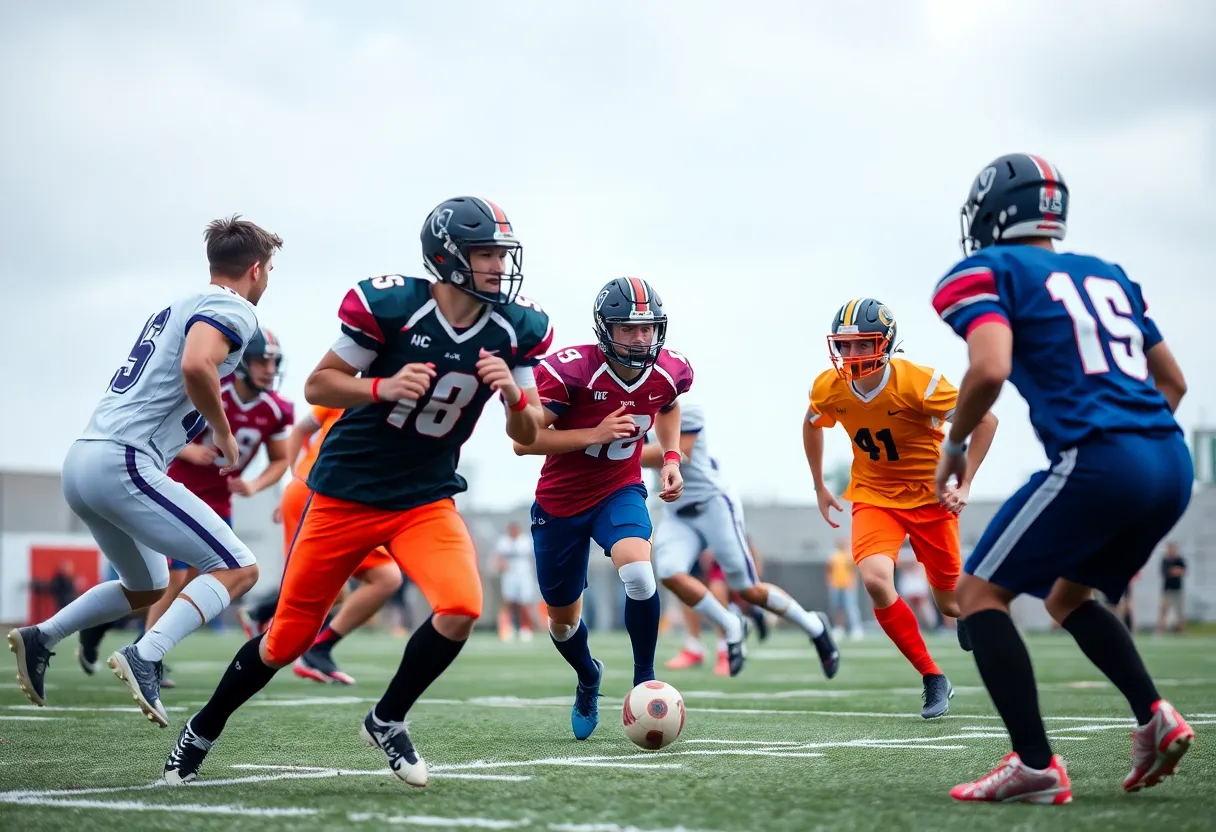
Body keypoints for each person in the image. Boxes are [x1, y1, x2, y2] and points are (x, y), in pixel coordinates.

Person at [164, 196, 552, 788]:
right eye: (484, 254)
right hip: (346, 494)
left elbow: (530, 432)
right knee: (285, 641)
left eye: (502, 254)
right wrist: (382, 386)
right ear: (447, 257)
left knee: (462, 606)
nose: (498, 266)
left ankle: (388, 717)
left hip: (424, 498)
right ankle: (202, 731)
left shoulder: (514, 327)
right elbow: (321, 382)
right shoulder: (394, 307)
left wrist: (516, 397)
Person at [934, 153, 1194, 803]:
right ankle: (1154, 716)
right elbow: (1174, 383)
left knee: (977, 596)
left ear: (994, 212)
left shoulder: (986, 270)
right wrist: (1137, 445)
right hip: (1171, 460)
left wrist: (956, 442)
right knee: (1065, 596)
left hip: (1099, 458)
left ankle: (1035, 765)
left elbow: (990, 369)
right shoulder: (1108, 274)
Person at [7, 215, 280, 726]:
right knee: (240, 569)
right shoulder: (233, 307)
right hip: (123, 461)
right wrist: (221, 429)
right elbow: (197, 365)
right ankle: (146, 653)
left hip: (84, 459)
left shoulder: (179, 304)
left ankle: (44, 637)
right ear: (258, 270)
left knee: (147, 584)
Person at [514, 276, 691, 741]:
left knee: (638, 572)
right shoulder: (571, 371)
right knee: (562, 620)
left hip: (620, 490)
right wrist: (593, 433)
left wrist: (669, 458)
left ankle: (643, 681)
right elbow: (522, 442)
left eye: (648, 328)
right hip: (560, 504)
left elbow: (668, 405)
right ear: (605, 329)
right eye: (628, 329)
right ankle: (589, 677)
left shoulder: (668, 370)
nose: (640, 338)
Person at [805, 298, 997, 718]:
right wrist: (819, 484)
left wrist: (965, 483)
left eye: (863, 345)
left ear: (886, 343)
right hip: (874, 495)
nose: (852, 356)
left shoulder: (918, 383)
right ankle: (932, 676)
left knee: (950, 605)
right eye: (846, 346)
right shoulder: (829, 387)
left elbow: (987, 421)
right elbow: (812, 421)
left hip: (930, 498)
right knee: (875, 579)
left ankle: (965, 613)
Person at [76, 328, 293, 683]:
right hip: (175, 489)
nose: (269, 369)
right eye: (261, 360)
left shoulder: (276, 408)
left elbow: (281, 459)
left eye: (274, 361)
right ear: (241, 364)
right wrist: (190, 449)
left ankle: (111, 633)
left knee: (190, 583)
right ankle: (145, 654)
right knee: (170, 580)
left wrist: (254, 484)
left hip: (219, 501)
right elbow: (156, 428)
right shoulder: (211, 388)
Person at [647, 402, 838, 679]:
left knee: (747, 588)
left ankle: (814, 625)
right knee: (668, 572)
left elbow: (679, 452)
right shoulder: (636, 411)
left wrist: (614, 448)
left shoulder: (684, 410)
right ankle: (730, 623)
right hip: (677, 514)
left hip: (713, 506)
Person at [279, 404, 407, 686]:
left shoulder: (397, 393)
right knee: (314, 591)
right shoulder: (345, 391)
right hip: (323, 494)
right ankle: (277, 643)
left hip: (350, 498)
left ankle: (313, 647)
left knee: (381, 578)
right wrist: (294, 478)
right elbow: (301, 427)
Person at [494, 521, 539, 641]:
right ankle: (507, 628)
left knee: (525, 602)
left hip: (524, 575)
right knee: (509, 602)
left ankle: (526, 628)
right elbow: (498, 558)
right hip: (509, 576)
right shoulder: (503, 542)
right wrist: (500, 566)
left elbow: (533, 557)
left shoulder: (526, 541)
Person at [825, 538, 864, 640]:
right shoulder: (833, 556)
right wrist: (830, 581)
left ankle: (856, 628)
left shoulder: (849, 556)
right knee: (837, 607)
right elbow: (829, 570)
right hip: (836, 585)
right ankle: (839, 628)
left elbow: (854, 570)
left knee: (851, 607)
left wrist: (853, 582)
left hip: (847, 585)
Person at [1156, 543, 1187, 634]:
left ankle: (1182, 630)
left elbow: (1183, 571)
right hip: (1167, 589)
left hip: (1178, 588)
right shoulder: (1165, 560)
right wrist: (1175, 571)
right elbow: (1166, 572)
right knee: (1163, 610)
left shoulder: (1180, 560)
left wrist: (1175, 571)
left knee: (1180, 610)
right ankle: (1159, 630)